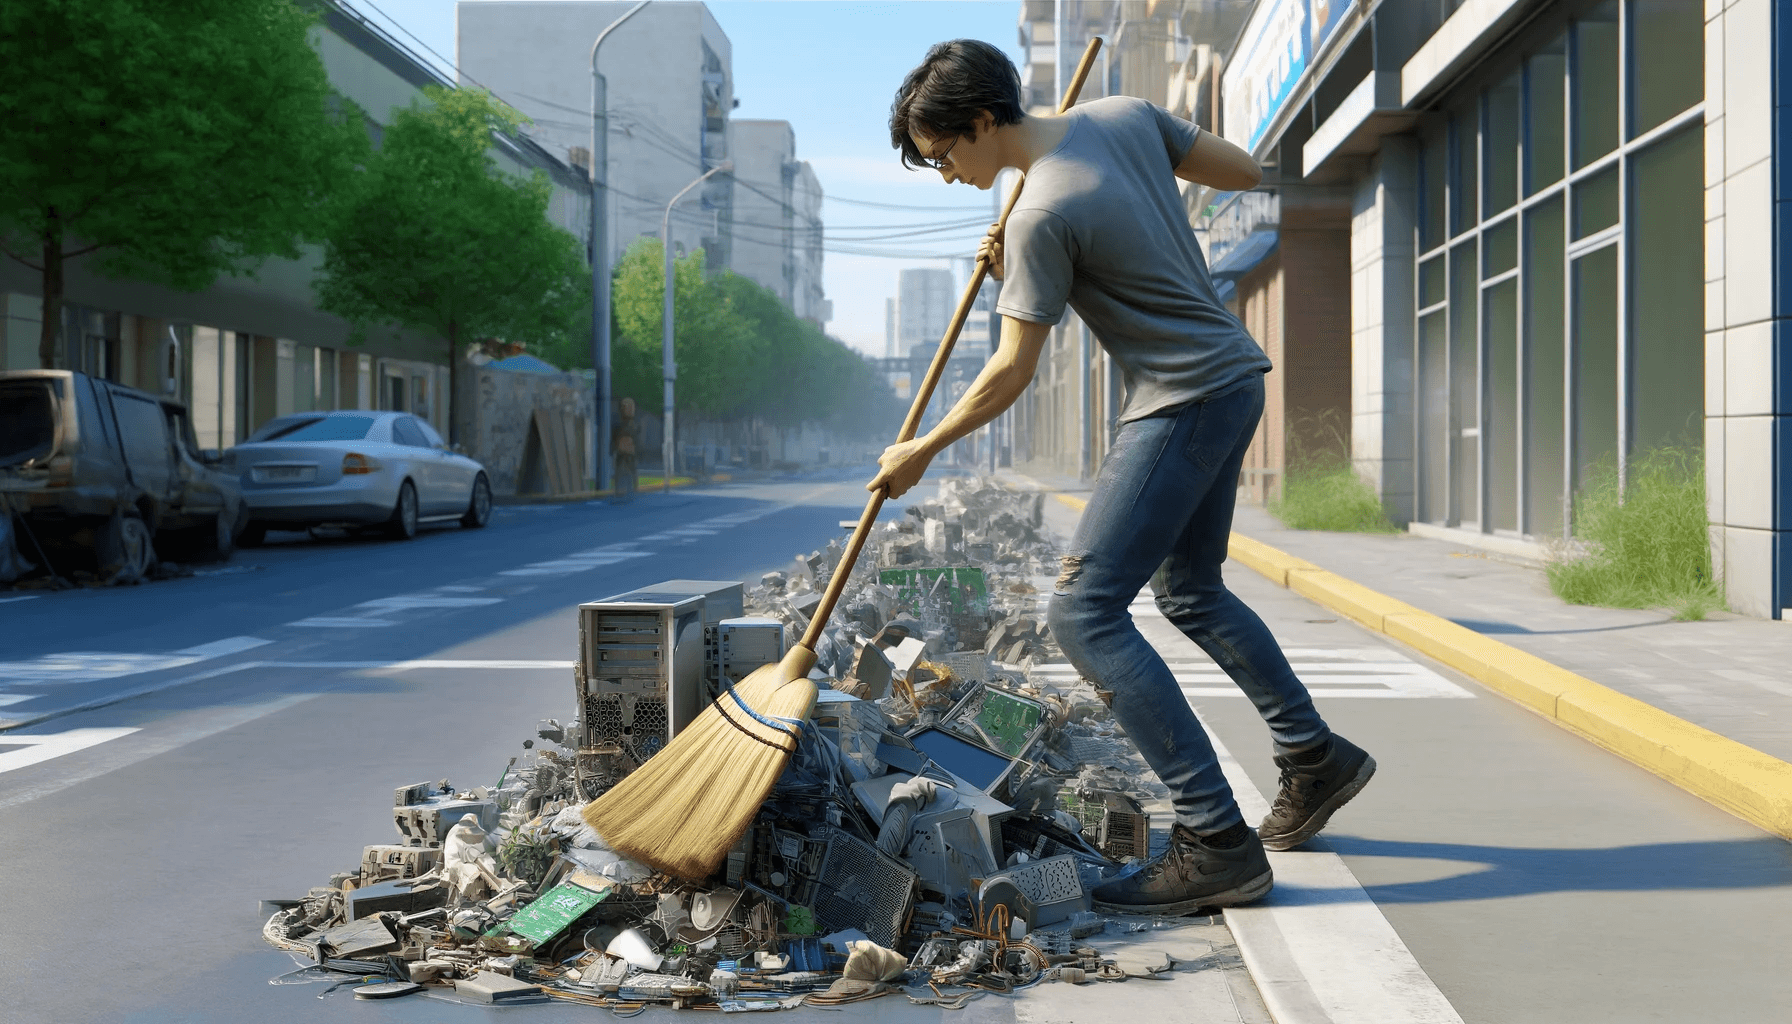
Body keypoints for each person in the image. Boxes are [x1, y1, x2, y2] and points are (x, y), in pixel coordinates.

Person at [869, 40, 1376, 916]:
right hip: (1232, 380)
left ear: (984, 122)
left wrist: (924, 447)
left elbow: (1010, 373)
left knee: (1082, 611)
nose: (950, 176)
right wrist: (1082, 229)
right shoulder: (1123, 116)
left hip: (1179, 402)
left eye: (949, 154)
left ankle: (1216, 838)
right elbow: (1244, 168)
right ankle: (1314, 757)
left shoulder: (1037, 217)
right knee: (1192, 594)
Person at [611, 396, 638, 502]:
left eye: (632, 407)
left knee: (632, 473)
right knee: (620, 473)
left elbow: (636, 441)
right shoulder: (619, 426)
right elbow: (615, 439)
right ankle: (619, 492)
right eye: (628, 407)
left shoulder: (634, 425)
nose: (631, 410)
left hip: (630, 455)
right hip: (621, 454)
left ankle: (632, 492)